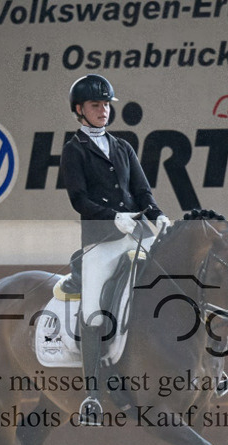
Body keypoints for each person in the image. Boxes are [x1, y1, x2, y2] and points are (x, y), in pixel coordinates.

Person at [59, 74, 171, 426]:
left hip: (136, 233)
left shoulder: (122, 147)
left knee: (176, 282)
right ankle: (92, 395)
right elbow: (79, 199)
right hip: (101, 240)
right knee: (93, 311)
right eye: (96, 105)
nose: (104, 110)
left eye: (106, 105)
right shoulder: (74, 150)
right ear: (80, 110)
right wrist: (112, 217)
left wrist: (157, 216)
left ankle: (206, 363)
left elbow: (142, 190)